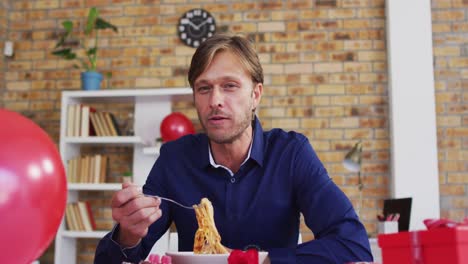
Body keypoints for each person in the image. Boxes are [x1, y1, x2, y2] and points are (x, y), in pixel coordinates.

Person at [94, 33, 373, 264]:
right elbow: (115, 259)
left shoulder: (291, 154)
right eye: (204, 88)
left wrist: (252, 260)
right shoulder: (175, 158)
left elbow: (353, 246)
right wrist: (128, 234)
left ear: (255, 95)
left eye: (229, 86)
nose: (215, 100)